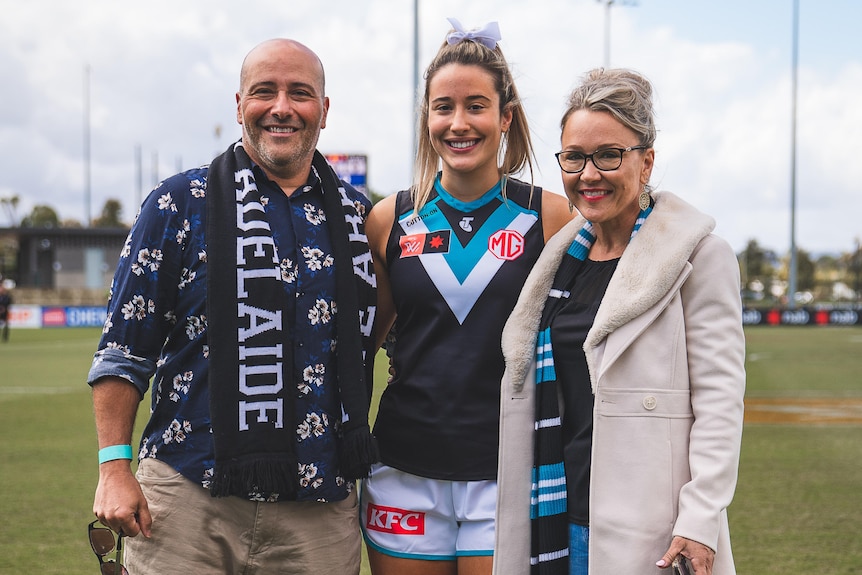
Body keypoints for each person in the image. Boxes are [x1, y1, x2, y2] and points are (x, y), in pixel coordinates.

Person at [88, 38, 377, 575]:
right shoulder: (178, 204)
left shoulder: (361, 221)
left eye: (301, 93)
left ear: (324, 109)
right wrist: (113, 467)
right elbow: (124, 350)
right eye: (265, 91)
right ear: (239, 103)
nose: (282, 107)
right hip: (187, 499)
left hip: (318, 509)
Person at [493, 68, 746, 575]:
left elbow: (720, 403)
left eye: (609, 155)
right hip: (555, 513)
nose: (589, 174)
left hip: (649, 528)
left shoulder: (700, 258)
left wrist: (699, 519)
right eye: (574, 157)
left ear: (646, 160)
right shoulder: (560, 262)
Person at [360, 19, 572, 575]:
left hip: (507, 468)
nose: (459, 123)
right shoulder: (388, 219)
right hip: (404, 470)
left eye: (476, 106)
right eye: (443, 107)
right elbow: (363, 347)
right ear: (427, 117)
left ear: (505, 117)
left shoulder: (552, 216)